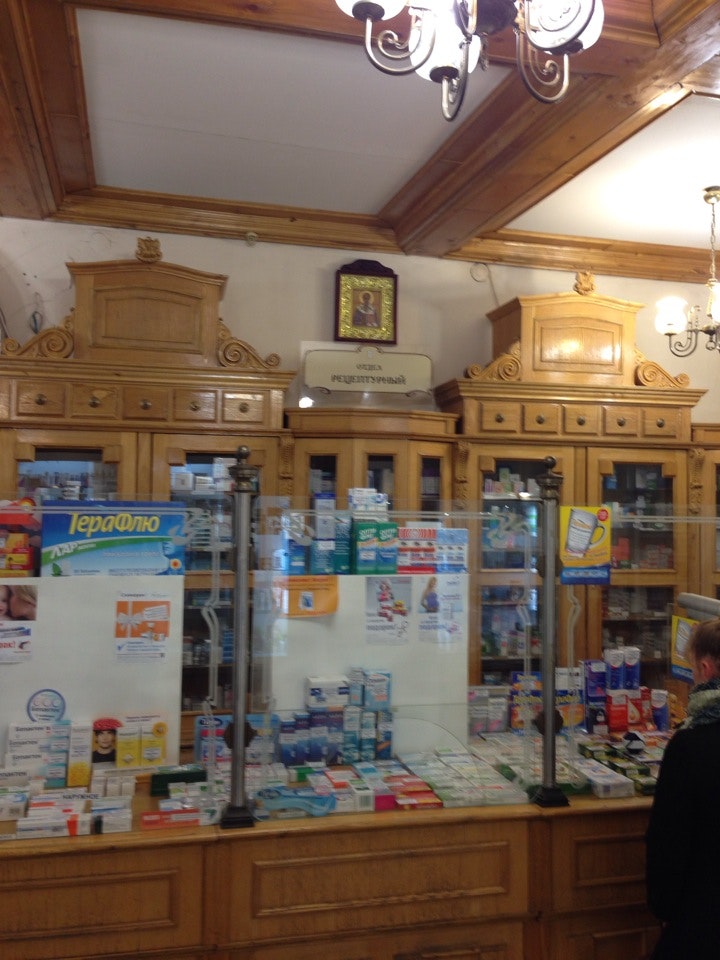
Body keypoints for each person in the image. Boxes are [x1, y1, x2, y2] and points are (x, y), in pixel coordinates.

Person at [645, 617, 720, 959]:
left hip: (703, 921)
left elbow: (669, 841)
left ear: (705, 668)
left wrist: (664, 908)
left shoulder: (690, 745)